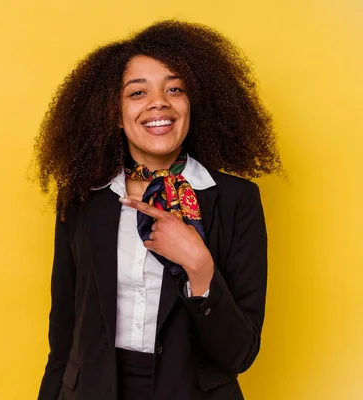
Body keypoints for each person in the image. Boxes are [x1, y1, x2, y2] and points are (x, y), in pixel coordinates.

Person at [34, 20, 282, 400]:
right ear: (114, 113)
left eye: (175, 89)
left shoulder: (235, 200)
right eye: (137, 93)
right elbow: (63, 336)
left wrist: (199, 266)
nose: (159, 102)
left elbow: (239, 353)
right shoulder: (83, 200)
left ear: (192, 103)